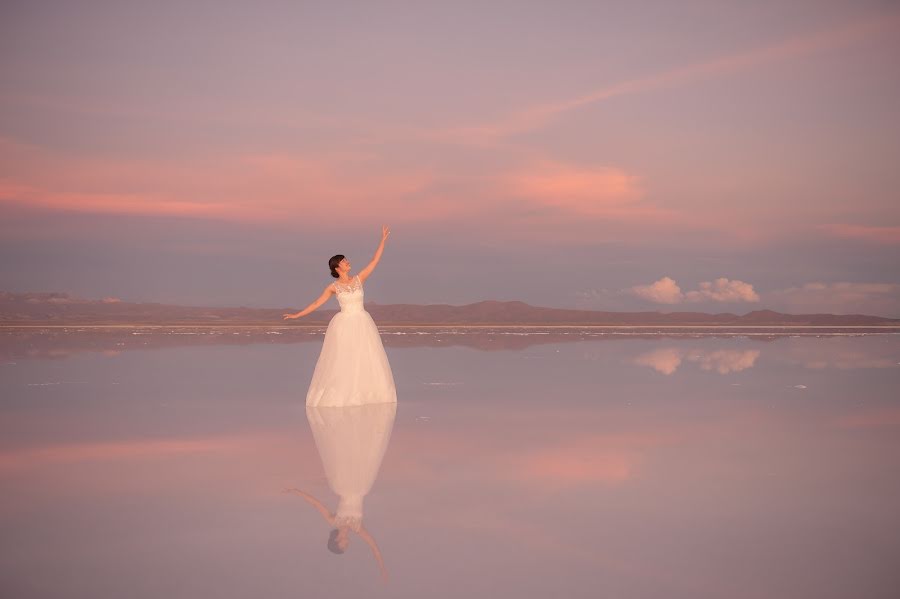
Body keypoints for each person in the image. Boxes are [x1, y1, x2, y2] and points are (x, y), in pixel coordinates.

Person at [283, 225, 397, 407]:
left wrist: (382, 241)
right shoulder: (332, 287)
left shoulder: (359, 279)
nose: (348, 262)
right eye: (344, 261)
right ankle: (343, 394)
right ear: (337, 267)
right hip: (344, 324)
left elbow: (374, 261)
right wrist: (297, 315)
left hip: (362, 322)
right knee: (344, 359)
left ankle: (366, 394)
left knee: (365, 357)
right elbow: (315, 303)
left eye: (346, 260)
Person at [284, 401, 397, 582]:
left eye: (344, 545)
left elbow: (315, 504)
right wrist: (382, 567)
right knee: (364, 452)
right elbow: (373, 546)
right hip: (360, 484)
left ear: (337, 541)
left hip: (345, 484)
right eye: (346, 545)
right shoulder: (357, 528)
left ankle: (347, 421)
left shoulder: (334, 520)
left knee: (348, 452)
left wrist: (296, 491)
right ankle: (364, 422)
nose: (348, 543)